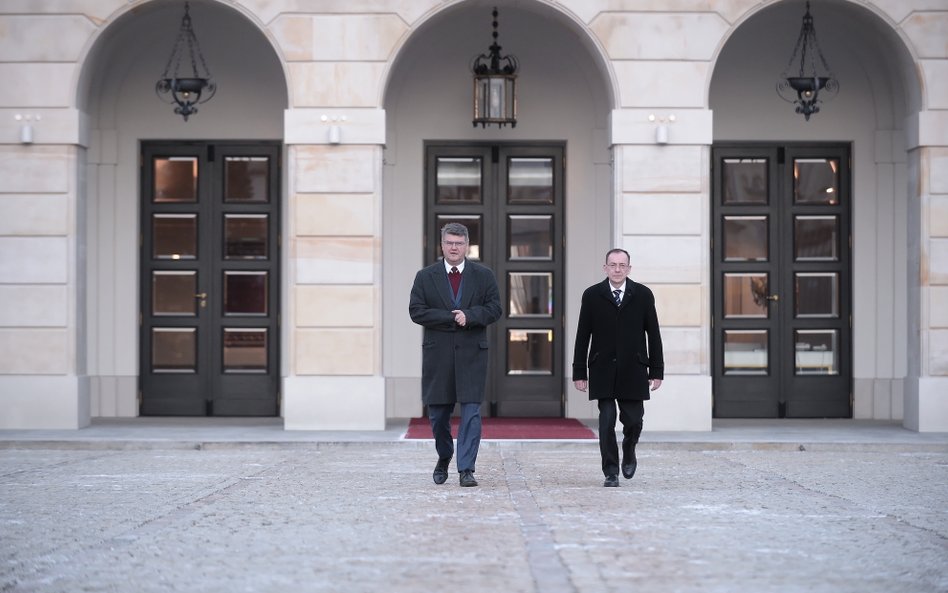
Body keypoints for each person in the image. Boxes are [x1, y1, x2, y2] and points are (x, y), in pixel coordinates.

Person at [409, 223, 502, 487]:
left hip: (473, 355)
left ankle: (466, 469)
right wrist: (451, 318)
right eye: (449, 242)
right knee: (438, 416)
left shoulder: (484, 276)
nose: (453, 247)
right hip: (437, 357)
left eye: (458, 243)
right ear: (441, 244)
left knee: (471, 413)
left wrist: (470, 316)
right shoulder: (425, 276)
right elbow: (416, 311)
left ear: (467, 245)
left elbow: (495, 309)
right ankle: (444, 455)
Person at [572, 248, 664, 487]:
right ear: (605, 268)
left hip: (634, 367)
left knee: (633, 420)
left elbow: (653, 334)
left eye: (622, 265)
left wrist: (657, 370)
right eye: (612, 265)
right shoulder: (592, 295)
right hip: (602, 367)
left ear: (629, 268)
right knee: (606, 421)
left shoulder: (643, 295)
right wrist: (579, 372)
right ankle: (611, 471)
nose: (617, 269)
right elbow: (583, 335)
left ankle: (630, 449)